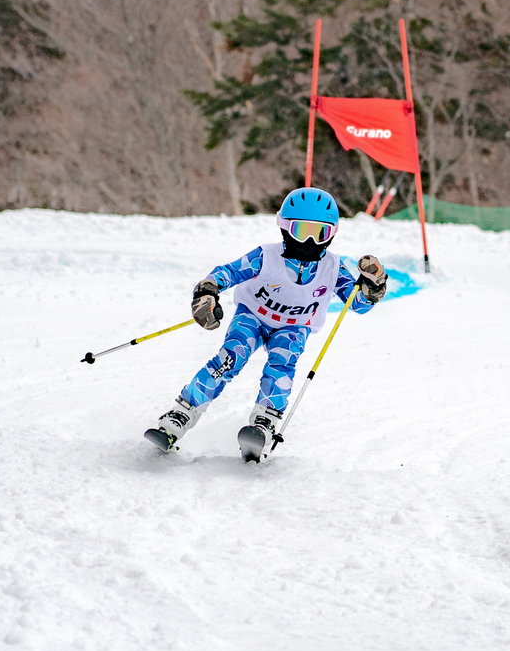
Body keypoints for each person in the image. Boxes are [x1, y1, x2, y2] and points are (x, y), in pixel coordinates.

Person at [145, 186, 386, 459]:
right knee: (230, 357)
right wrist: (207, 292)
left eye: (320, 233)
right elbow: (227, 273)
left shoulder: (333, 267)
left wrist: (372, 286)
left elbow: (357, 304)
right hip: (253, 316)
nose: (309, 241)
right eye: (300, 230)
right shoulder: (266, 256)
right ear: (284, 227)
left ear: (332, 233)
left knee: (282, 364)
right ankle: (180, 415)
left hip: (294, 326)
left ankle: (264, 422)